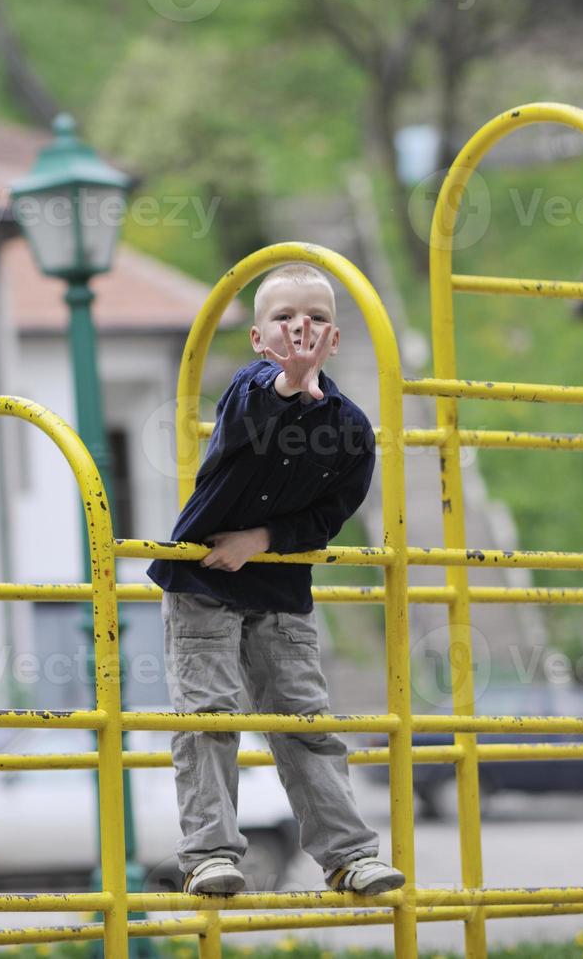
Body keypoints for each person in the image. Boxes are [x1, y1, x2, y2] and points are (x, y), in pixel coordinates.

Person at [146, 262, 405, 897]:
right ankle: (208, 853)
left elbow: (328, 514)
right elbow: (247, 421)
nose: (301, 327)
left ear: (335, 339)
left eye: (316, 317)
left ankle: (348, 856)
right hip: (204, 581)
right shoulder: (248, 390)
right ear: (260, 340)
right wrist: (290, 382)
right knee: (208, 717)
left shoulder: (349, 430)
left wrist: (260, 540)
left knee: (304, 721)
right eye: (284, 317)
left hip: (279, 585)